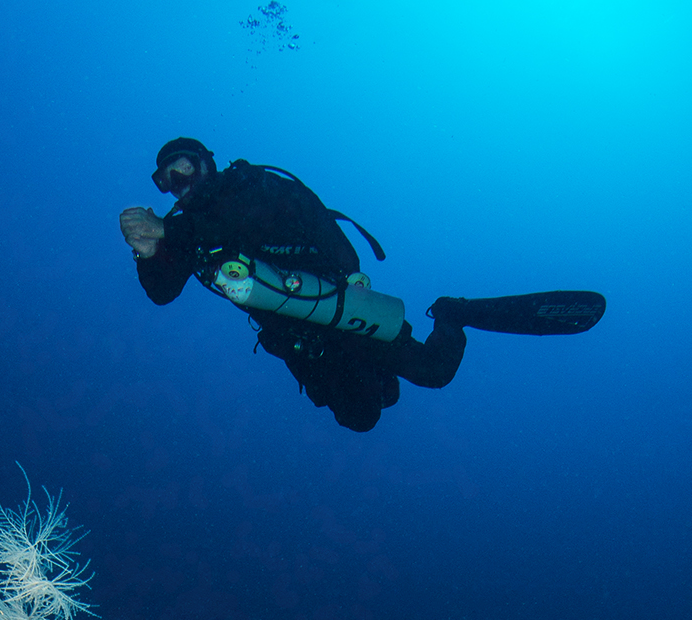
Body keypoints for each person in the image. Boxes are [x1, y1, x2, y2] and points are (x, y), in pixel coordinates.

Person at [120, 137, 605, 433]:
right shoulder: (185, 231)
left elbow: (249, 223)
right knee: (364, 415)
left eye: (184, 167)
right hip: (298, 337)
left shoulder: (251, 187)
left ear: (208, 161)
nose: (179, 183)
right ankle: (380, 378)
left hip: (337, 302)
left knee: (433, 372)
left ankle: (454, 313)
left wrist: (170, 231)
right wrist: (148, 254)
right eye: (167, 180)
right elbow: (162, 292)